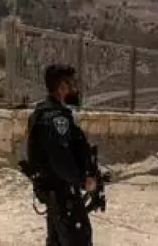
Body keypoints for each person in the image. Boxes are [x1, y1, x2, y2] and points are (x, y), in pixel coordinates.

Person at [27, 64, 97, 246]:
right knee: (79, 240)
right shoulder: (57, 119)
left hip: (54, 193)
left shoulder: (41, 113)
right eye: (71, 83)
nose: (75, 88)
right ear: (62, 87)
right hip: (63, 193)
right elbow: (60, 159)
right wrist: (83, 179)